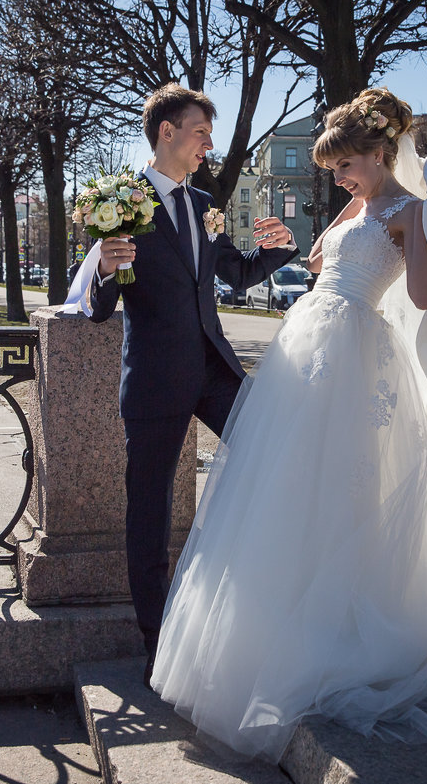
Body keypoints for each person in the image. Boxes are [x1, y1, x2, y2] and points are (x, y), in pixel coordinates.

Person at [150, 88, 427, 761]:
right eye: (334, 168)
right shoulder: (362, 203)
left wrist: (422, 228)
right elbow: (320, 261)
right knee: (287, 487)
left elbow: (425, 295)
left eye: (344, 166)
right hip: (307, 348)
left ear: (378, 152)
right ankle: (286, 615)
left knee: (344, 488)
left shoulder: (409, 209)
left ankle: (340, 621)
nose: (337, 177)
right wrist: (316, 237)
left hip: (356, 360)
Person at [67, 83, 299, 686]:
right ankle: (157, 643)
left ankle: (258, 609)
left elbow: (235, 275)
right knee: (149, 514)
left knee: (274, 460)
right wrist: (109, 270)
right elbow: (94, 307)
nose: (209, 145)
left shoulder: (205, 204)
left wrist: (278, 252)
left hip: (214, 372)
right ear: (167, 132)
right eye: (200, 132)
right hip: (153, 381)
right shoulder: (119, 202)